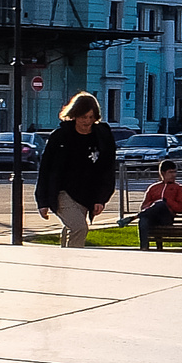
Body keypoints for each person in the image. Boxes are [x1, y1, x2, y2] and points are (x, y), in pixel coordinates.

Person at [35, 91, 117, 247]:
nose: (87, 122)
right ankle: (75, 261)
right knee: (79, 227)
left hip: (87, 193)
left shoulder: (102, 137)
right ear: (74, 116)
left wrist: (101, 198)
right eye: (83, 117)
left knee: (72, 227)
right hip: (62, 191)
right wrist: (42, 201)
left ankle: (63, 262)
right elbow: (45, 169)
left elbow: (107, 169)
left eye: (91, 117)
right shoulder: (60, 137)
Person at [133, 159, 182, 247]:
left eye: (174, 172)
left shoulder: (179, 188)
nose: (174, 175)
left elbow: (180, 208)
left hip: (167, 218)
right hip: (153, 218)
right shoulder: (154, 188)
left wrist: (167, 201)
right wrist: (153, 204)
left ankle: (136, 216)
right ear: (162, 173)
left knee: (161, 204)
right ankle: (144, 247)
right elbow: (144, 206)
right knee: (143, 220)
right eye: (170, 172)